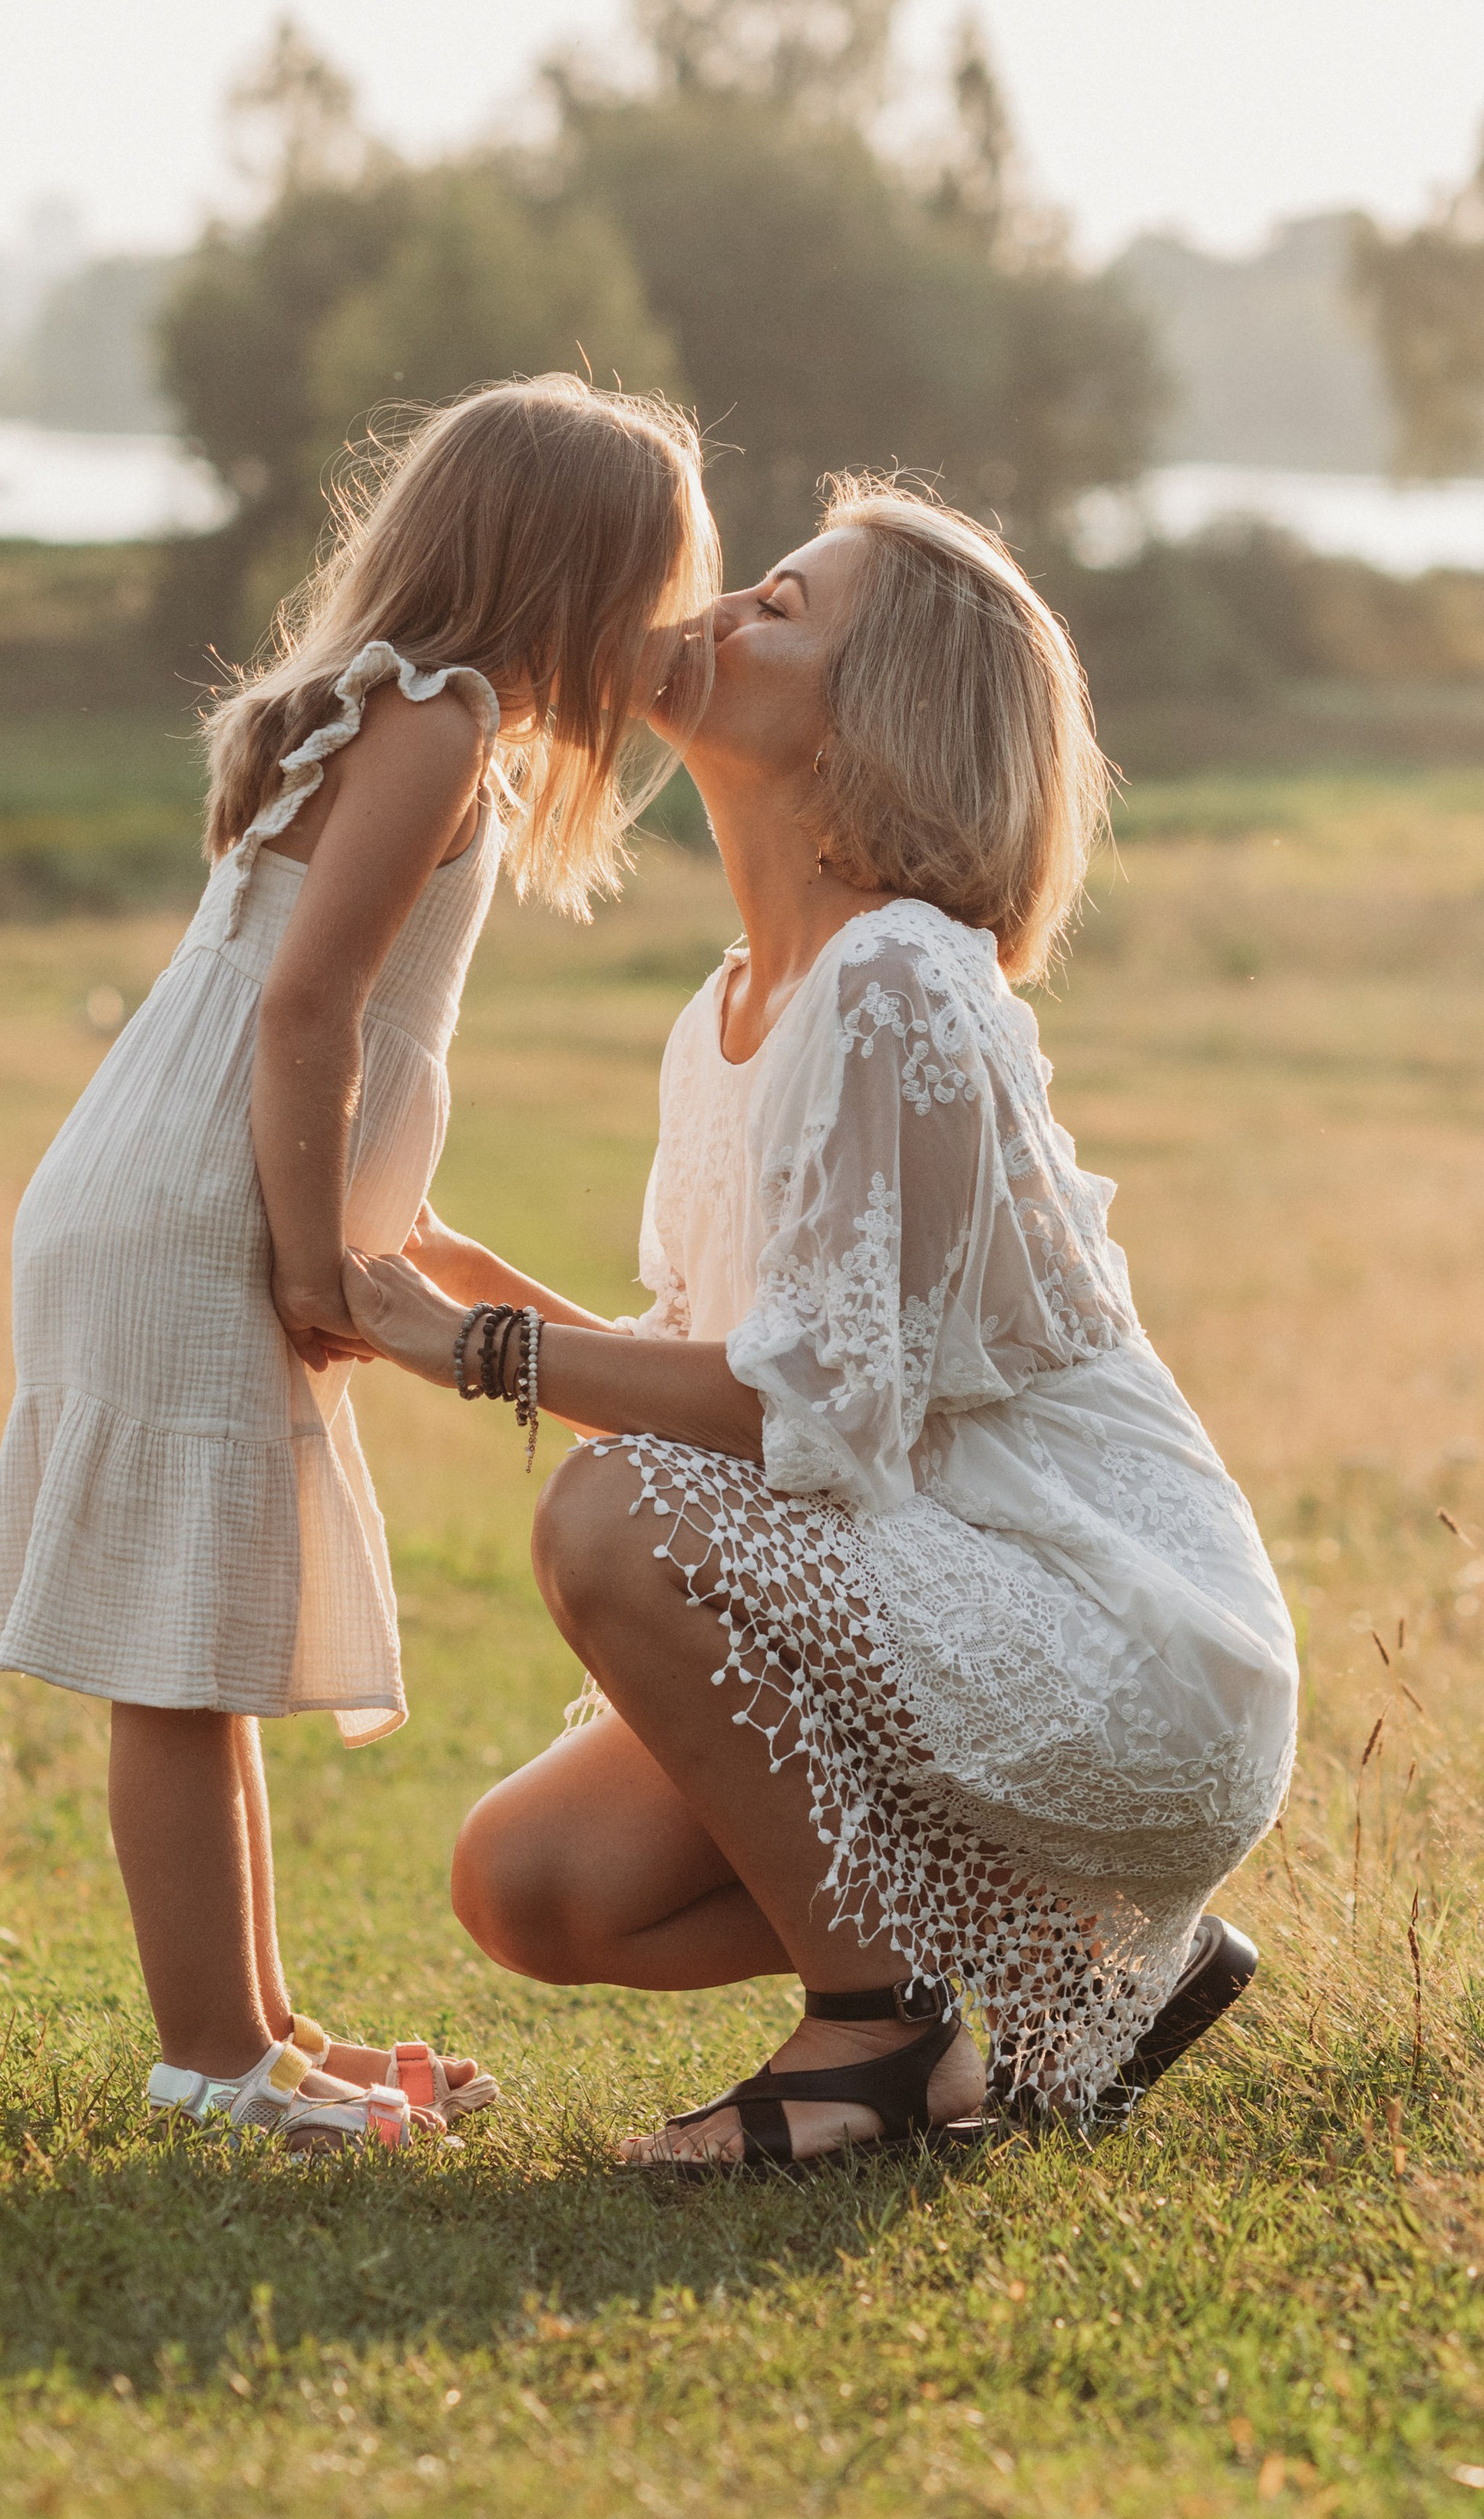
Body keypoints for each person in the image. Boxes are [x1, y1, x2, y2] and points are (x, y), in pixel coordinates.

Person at [343, 477, 1301, 2171]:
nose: (711, 614)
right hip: (941, 1585)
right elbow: (717, 1367)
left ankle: (876, 2039)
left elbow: (817, 1415)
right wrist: (475, 1286)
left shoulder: (898, 976)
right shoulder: (727, 1007)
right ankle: (1062, 1963)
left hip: (1125, 1639)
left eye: (777, 606)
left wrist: (469, 1350)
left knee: (608, 1514)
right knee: (534, 1884)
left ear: (883, 706)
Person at [0, 377, 719, 2157]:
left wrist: (527, 1314)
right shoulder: (442, 720)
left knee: (205, 1645)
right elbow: (306, 1012)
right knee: (175, 1666)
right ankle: (210, 2064)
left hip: (173, 1197)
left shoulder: (398, 708)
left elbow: (356, 1102)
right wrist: (314, 1266)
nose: (661, 636)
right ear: (570, 573)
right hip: (193, 1217)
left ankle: (265, 2035)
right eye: (650, 592)